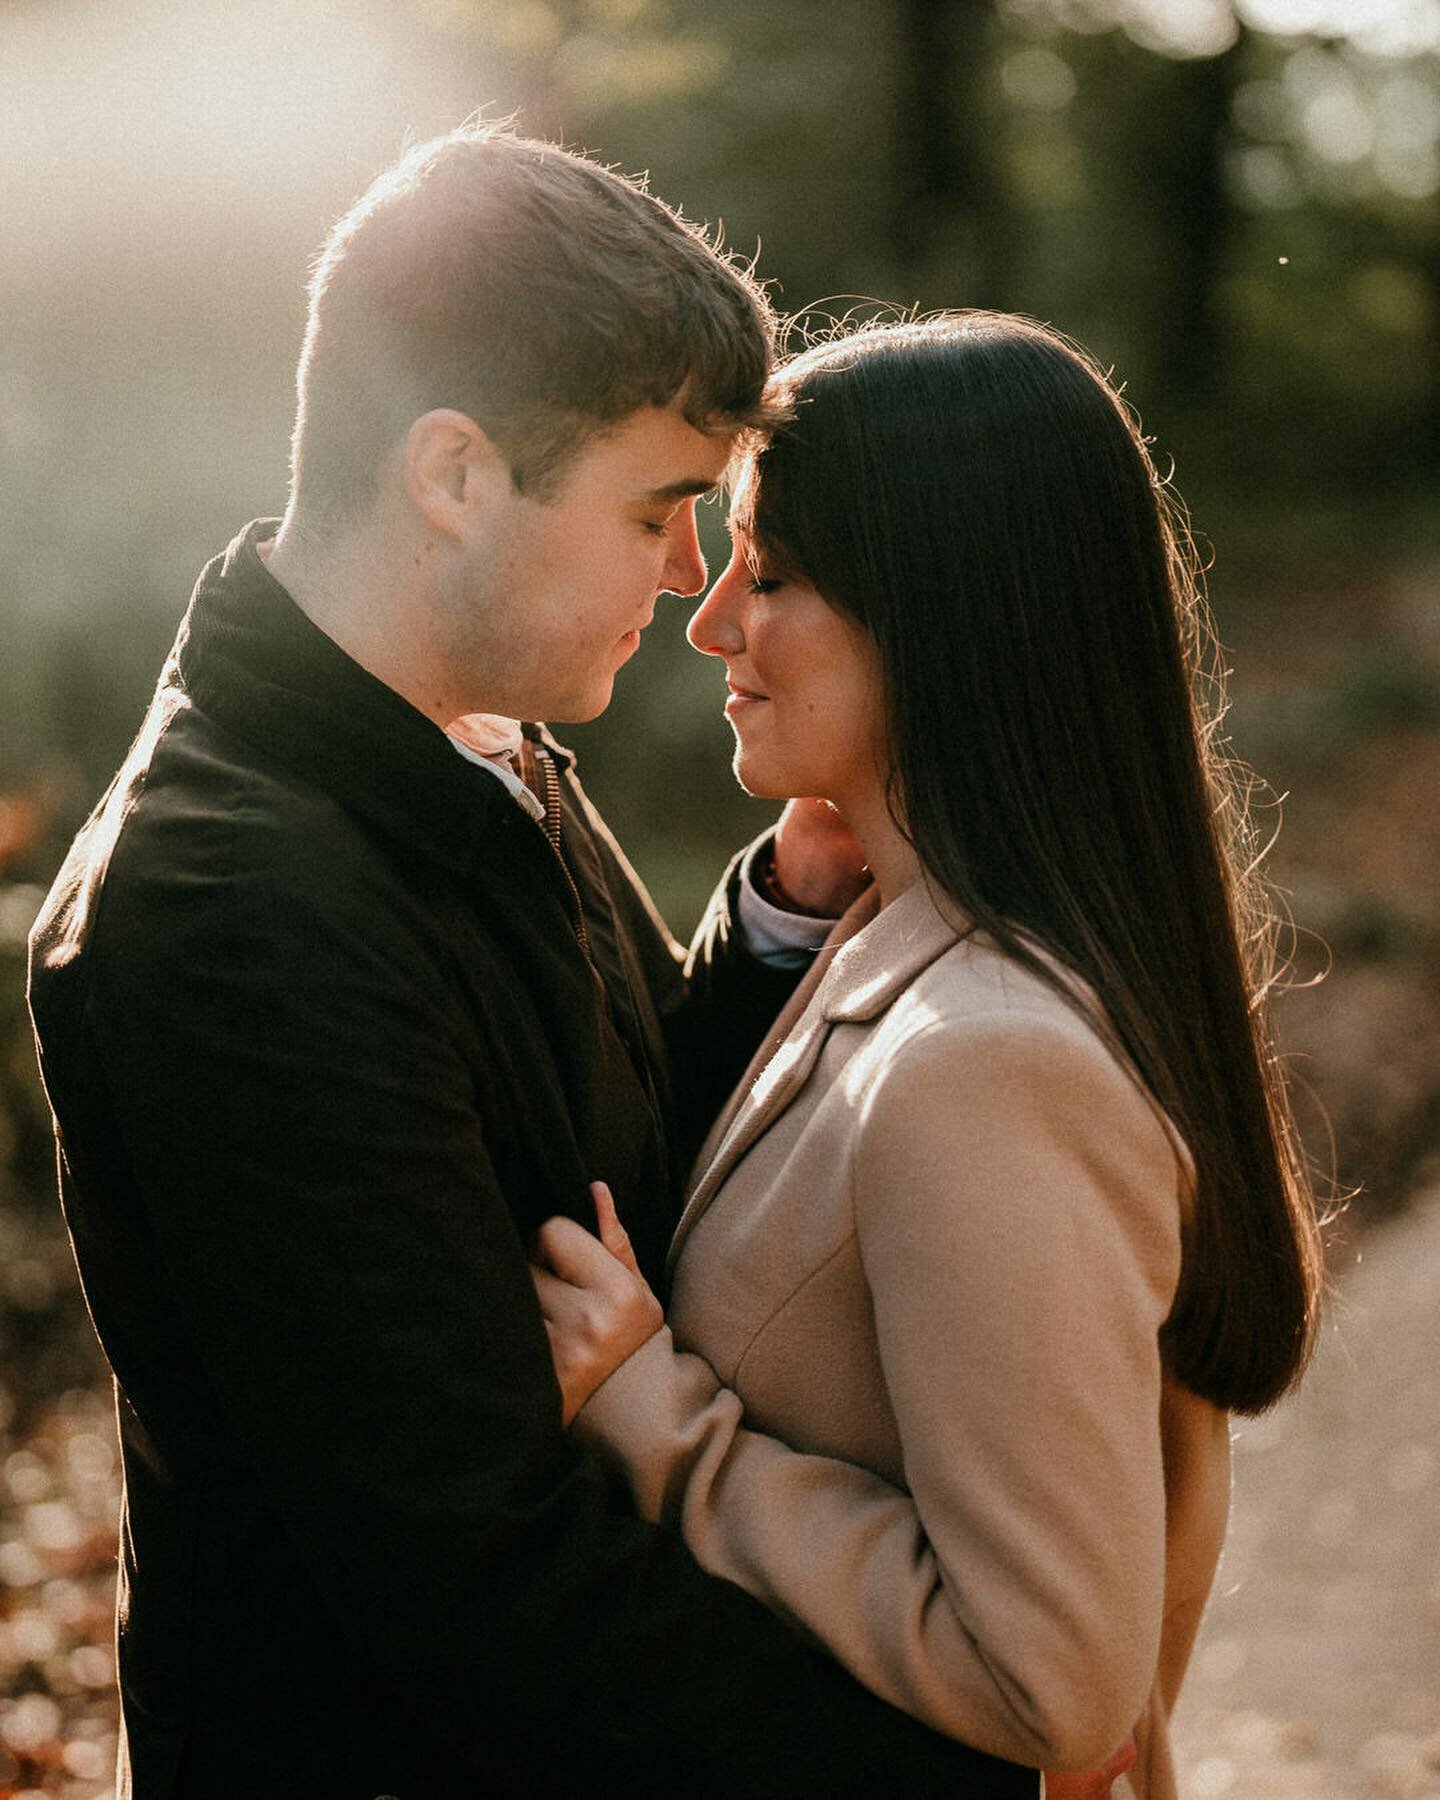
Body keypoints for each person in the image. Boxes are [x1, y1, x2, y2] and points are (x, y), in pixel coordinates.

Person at [26, 133, 1037, 1796]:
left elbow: (628, 1157)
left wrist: (786, 904)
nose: (686, 579)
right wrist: (949, 1773)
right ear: (455, 475)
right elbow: (479, 1578)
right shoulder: (233, 912)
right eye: (654, 511)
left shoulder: (461, 732)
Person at [532, 314, 1327, 1800]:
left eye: (768, 575)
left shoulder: (988, 1062)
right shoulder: (920, 947)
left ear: (943, 613)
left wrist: (665, 1425)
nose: (710, 622)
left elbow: (1053, 1683)